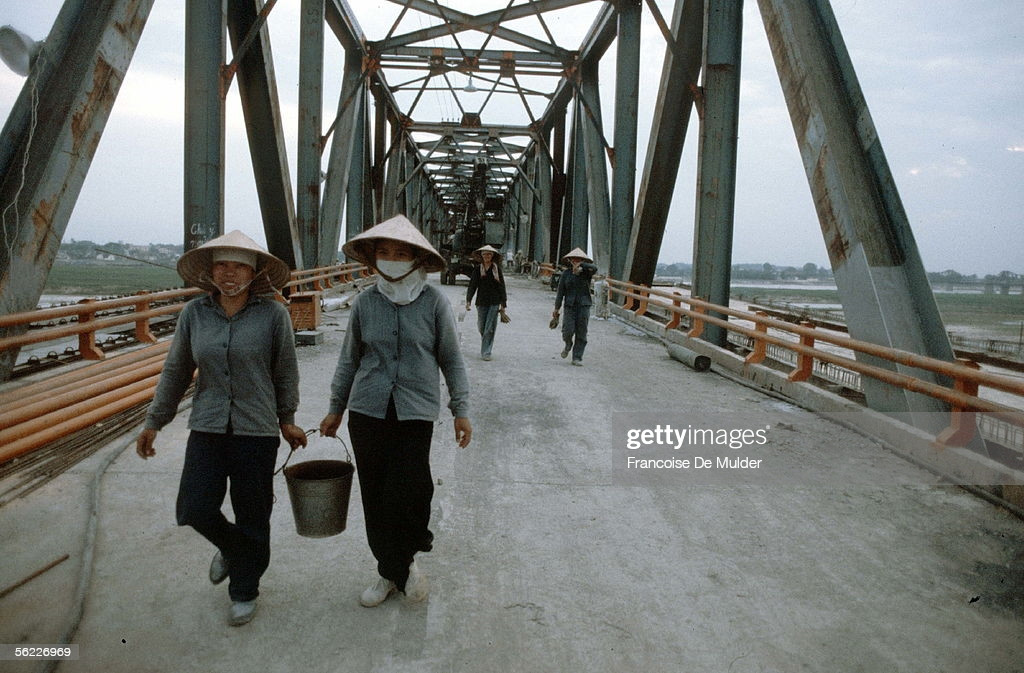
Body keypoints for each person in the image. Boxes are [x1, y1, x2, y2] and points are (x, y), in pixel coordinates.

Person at [135, 230, 308, 627]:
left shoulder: (273, 316)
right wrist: (154, 421)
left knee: (253, 513)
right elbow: (176, 370)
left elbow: (285, 371)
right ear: (210, 271)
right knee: (193, 508)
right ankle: (234, 550)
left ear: (254, 273)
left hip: (256, 429)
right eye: (222, 265)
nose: (230, 273)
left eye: (239, 266)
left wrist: (287, 419)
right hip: (208, 425)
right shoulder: (194, 314)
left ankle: (244, 590)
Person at [319, 214, 472, 608]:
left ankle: (404, 555)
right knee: (375, 494)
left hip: (415, 410)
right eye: (383, 251)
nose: (390, 259)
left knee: (412, 489)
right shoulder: (365, 303)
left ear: (417, 259)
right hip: (367, 410)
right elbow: (349, 360)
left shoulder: (434, 303)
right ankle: (392, 571)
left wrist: (461, 409)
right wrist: (336, 407)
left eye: (400, 253)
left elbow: (452, 359)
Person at [552, 247, 598, 366]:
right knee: (567, 330)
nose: (576, 261)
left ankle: (577, 357)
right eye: (574, 259)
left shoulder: (587, 273)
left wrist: (581, 265)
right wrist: (556, 308)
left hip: (584, 305)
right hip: (570, 306)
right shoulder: (566, 274)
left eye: (579, 259)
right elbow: (560, 292)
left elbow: (595, 268)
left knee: (582, 332)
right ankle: (568, 344)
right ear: (570, 260)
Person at [465, 244, 508, 361]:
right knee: (481, 327)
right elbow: (472, 286)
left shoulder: (496, 270)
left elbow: (502, 287)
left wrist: (503, 304)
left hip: (494, 302)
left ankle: (486, 352)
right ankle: (486, 343)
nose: (487, 256)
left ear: (492, 256)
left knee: (489, 328)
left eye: (489, 254)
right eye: (485, 254)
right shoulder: (478, 269)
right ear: (482, 256)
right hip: (481, 302)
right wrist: (468, 300)